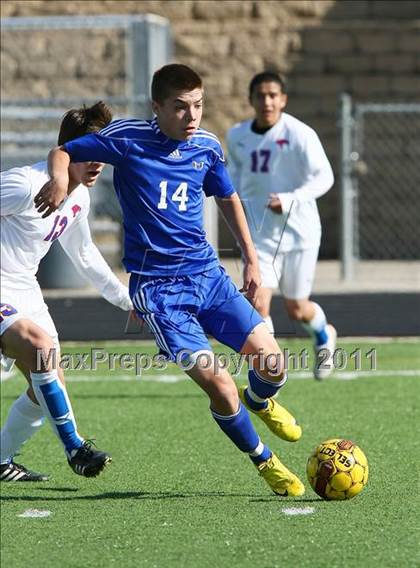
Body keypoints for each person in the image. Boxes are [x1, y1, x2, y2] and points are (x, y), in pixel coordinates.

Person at [35, 64, 305, 497]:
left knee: (273, 366)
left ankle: (259, 401)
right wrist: (57, 179)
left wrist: (251, 261)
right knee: (218, 384)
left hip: (207, 276)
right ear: (157, 107)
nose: (191, 115)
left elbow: (227, 197)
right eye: (180, 107)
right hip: (159, 292)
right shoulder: (126, 138)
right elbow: (64, 151)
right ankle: (264, 461)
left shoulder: (206, 146)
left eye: (198, 105)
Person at [0, 102, 133, 481]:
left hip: (24, 288)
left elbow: (86, 254)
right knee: (40, 348)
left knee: (48, 385)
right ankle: (75, 447)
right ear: (69, 151)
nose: (97, 163)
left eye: (102, 154)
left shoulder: (80, 197)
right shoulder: (25, 184)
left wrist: (127, 300)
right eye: (89, 153)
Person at [226, 71, 337, 380]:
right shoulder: (237, 136)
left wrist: (290, 199)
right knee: (258, 300)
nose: (267, 101)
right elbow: (232, 180)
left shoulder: (301, 134)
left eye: (273, 95)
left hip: (300, 233)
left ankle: (324, 335)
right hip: (261, 236)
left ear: (283, 100)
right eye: (260, 95)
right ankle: (271, 371)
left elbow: (324, 177)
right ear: (250, 100)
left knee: (297, 309)